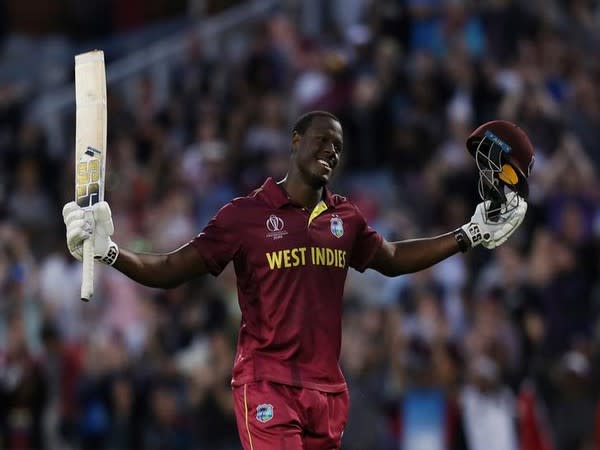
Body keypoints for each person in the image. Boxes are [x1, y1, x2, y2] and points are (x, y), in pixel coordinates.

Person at [63, 111, 530, 449]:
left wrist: (467, 235)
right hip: (266, 384)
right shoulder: (243, 216)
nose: (331, 151)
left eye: (338, 148)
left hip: (327, 392)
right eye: (322, 140)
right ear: (294, 140)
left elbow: (389, 258)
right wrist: (109, 251)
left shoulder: (346, 218)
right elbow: (169, 270)